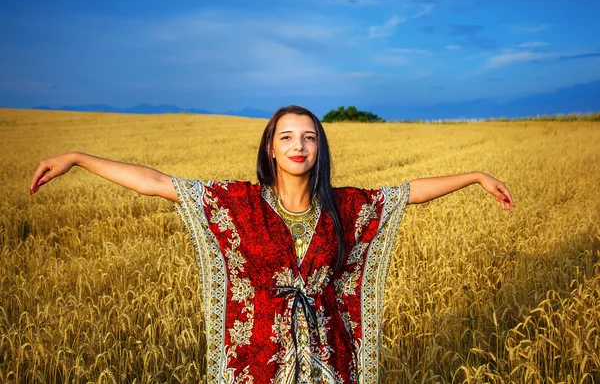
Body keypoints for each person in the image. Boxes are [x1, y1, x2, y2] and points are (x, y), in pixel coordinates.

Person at [30, 105, 514, 383]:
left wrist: (475, 175)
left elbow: (409, 193)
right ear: (271, 148)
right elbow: (156, 182)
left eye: (308, 137)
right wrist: (76, 157)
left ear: (319, 148)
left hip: (330, 363)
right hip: (259, 365)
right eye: (286, 136)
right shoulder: (241, 203)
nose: (298, 145)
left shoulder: (344, 207)